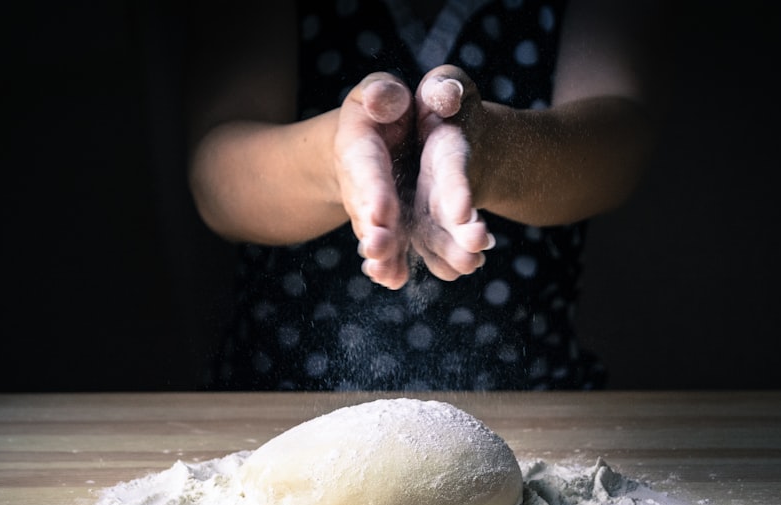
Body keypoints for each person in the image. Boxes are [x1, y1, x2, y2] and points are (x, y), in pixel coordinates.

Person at [185, 0, 670, 391]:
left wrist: (493, 152)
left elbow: (621, 147)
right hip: (271, 405)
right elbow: (216, 183)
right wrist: (338, 161)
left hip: (537, 403)